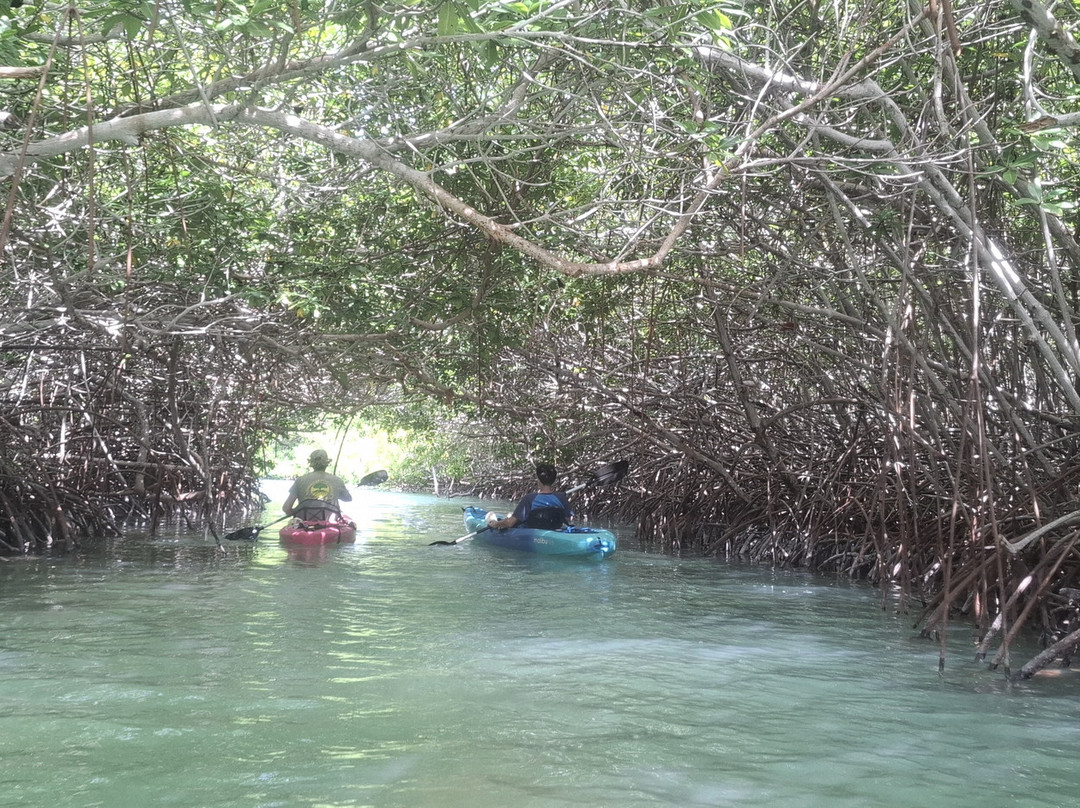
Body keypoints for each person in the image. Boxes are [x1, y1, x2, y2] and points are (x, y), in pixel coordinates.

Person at [487, 463, 573, 531]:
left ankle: (494, 519)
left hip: (531, 533)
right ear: (553, 480)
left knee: (508, 517)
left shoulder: (530, 498)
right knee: (510, 515)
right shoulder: (561, 497)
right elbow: (568, 519)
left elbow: (510, 523)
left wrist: (495, 524)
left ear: (539, 480)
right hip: (554, 530)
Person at [282, 449, 352, 522]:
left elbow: (286, 508)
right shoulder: (337, 480)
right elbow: (348, 499)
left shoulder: (299, 480)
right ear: (327, 463)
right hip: (330, 523)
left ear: (311, 463)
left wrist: (297, 513)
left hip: (305, 523)